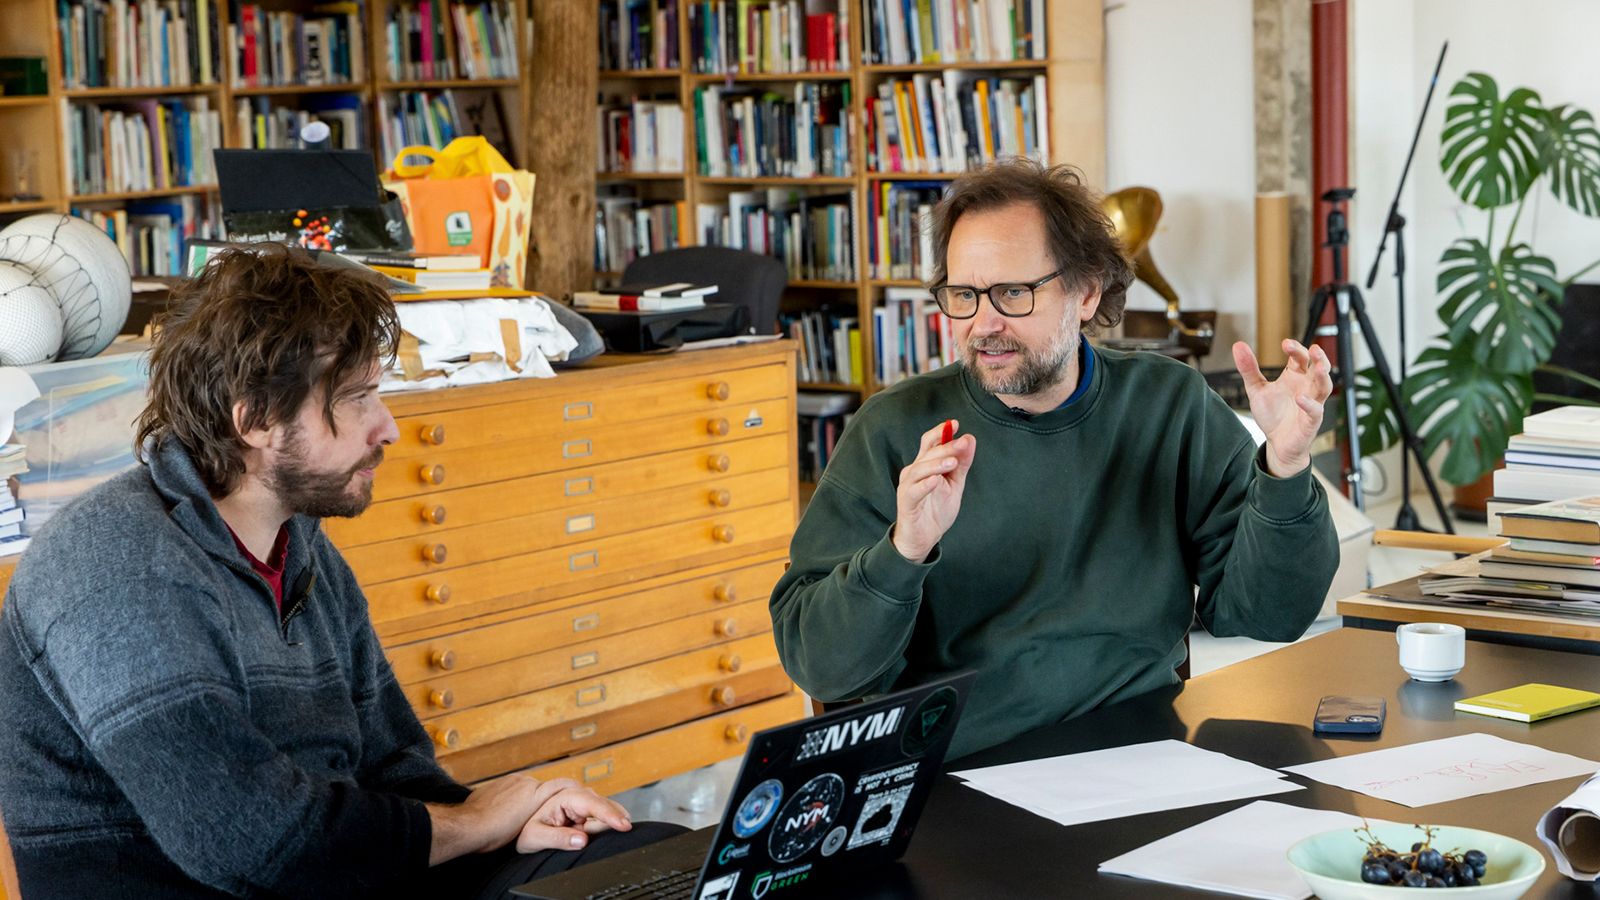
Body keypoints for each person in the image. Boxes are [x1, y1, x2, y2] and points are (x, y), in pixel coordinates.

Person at [0, 246, 680, 899]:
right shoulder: (118, 568)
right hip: (231, 884)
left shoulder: (298, 544)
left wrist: (509, 823)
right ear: (256, 420)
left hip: (339, 874)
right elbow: (247, 839)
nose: (388, 428)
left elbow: (394, 770)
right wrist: (475, 825)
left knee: (651, 860)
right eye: (357, 398)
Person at [770, 159, 1339, 759]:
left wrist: (1285, 467)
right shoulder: (893, 428)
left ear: (1086, 292)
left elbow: (1270, 614)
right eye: (964, 295)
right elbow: (821, 667)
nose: (983, 323)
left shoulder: (1168, 403)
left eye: (1013, 292)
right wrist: (902, 551)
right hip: (962, 774)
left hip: (1144, 757)